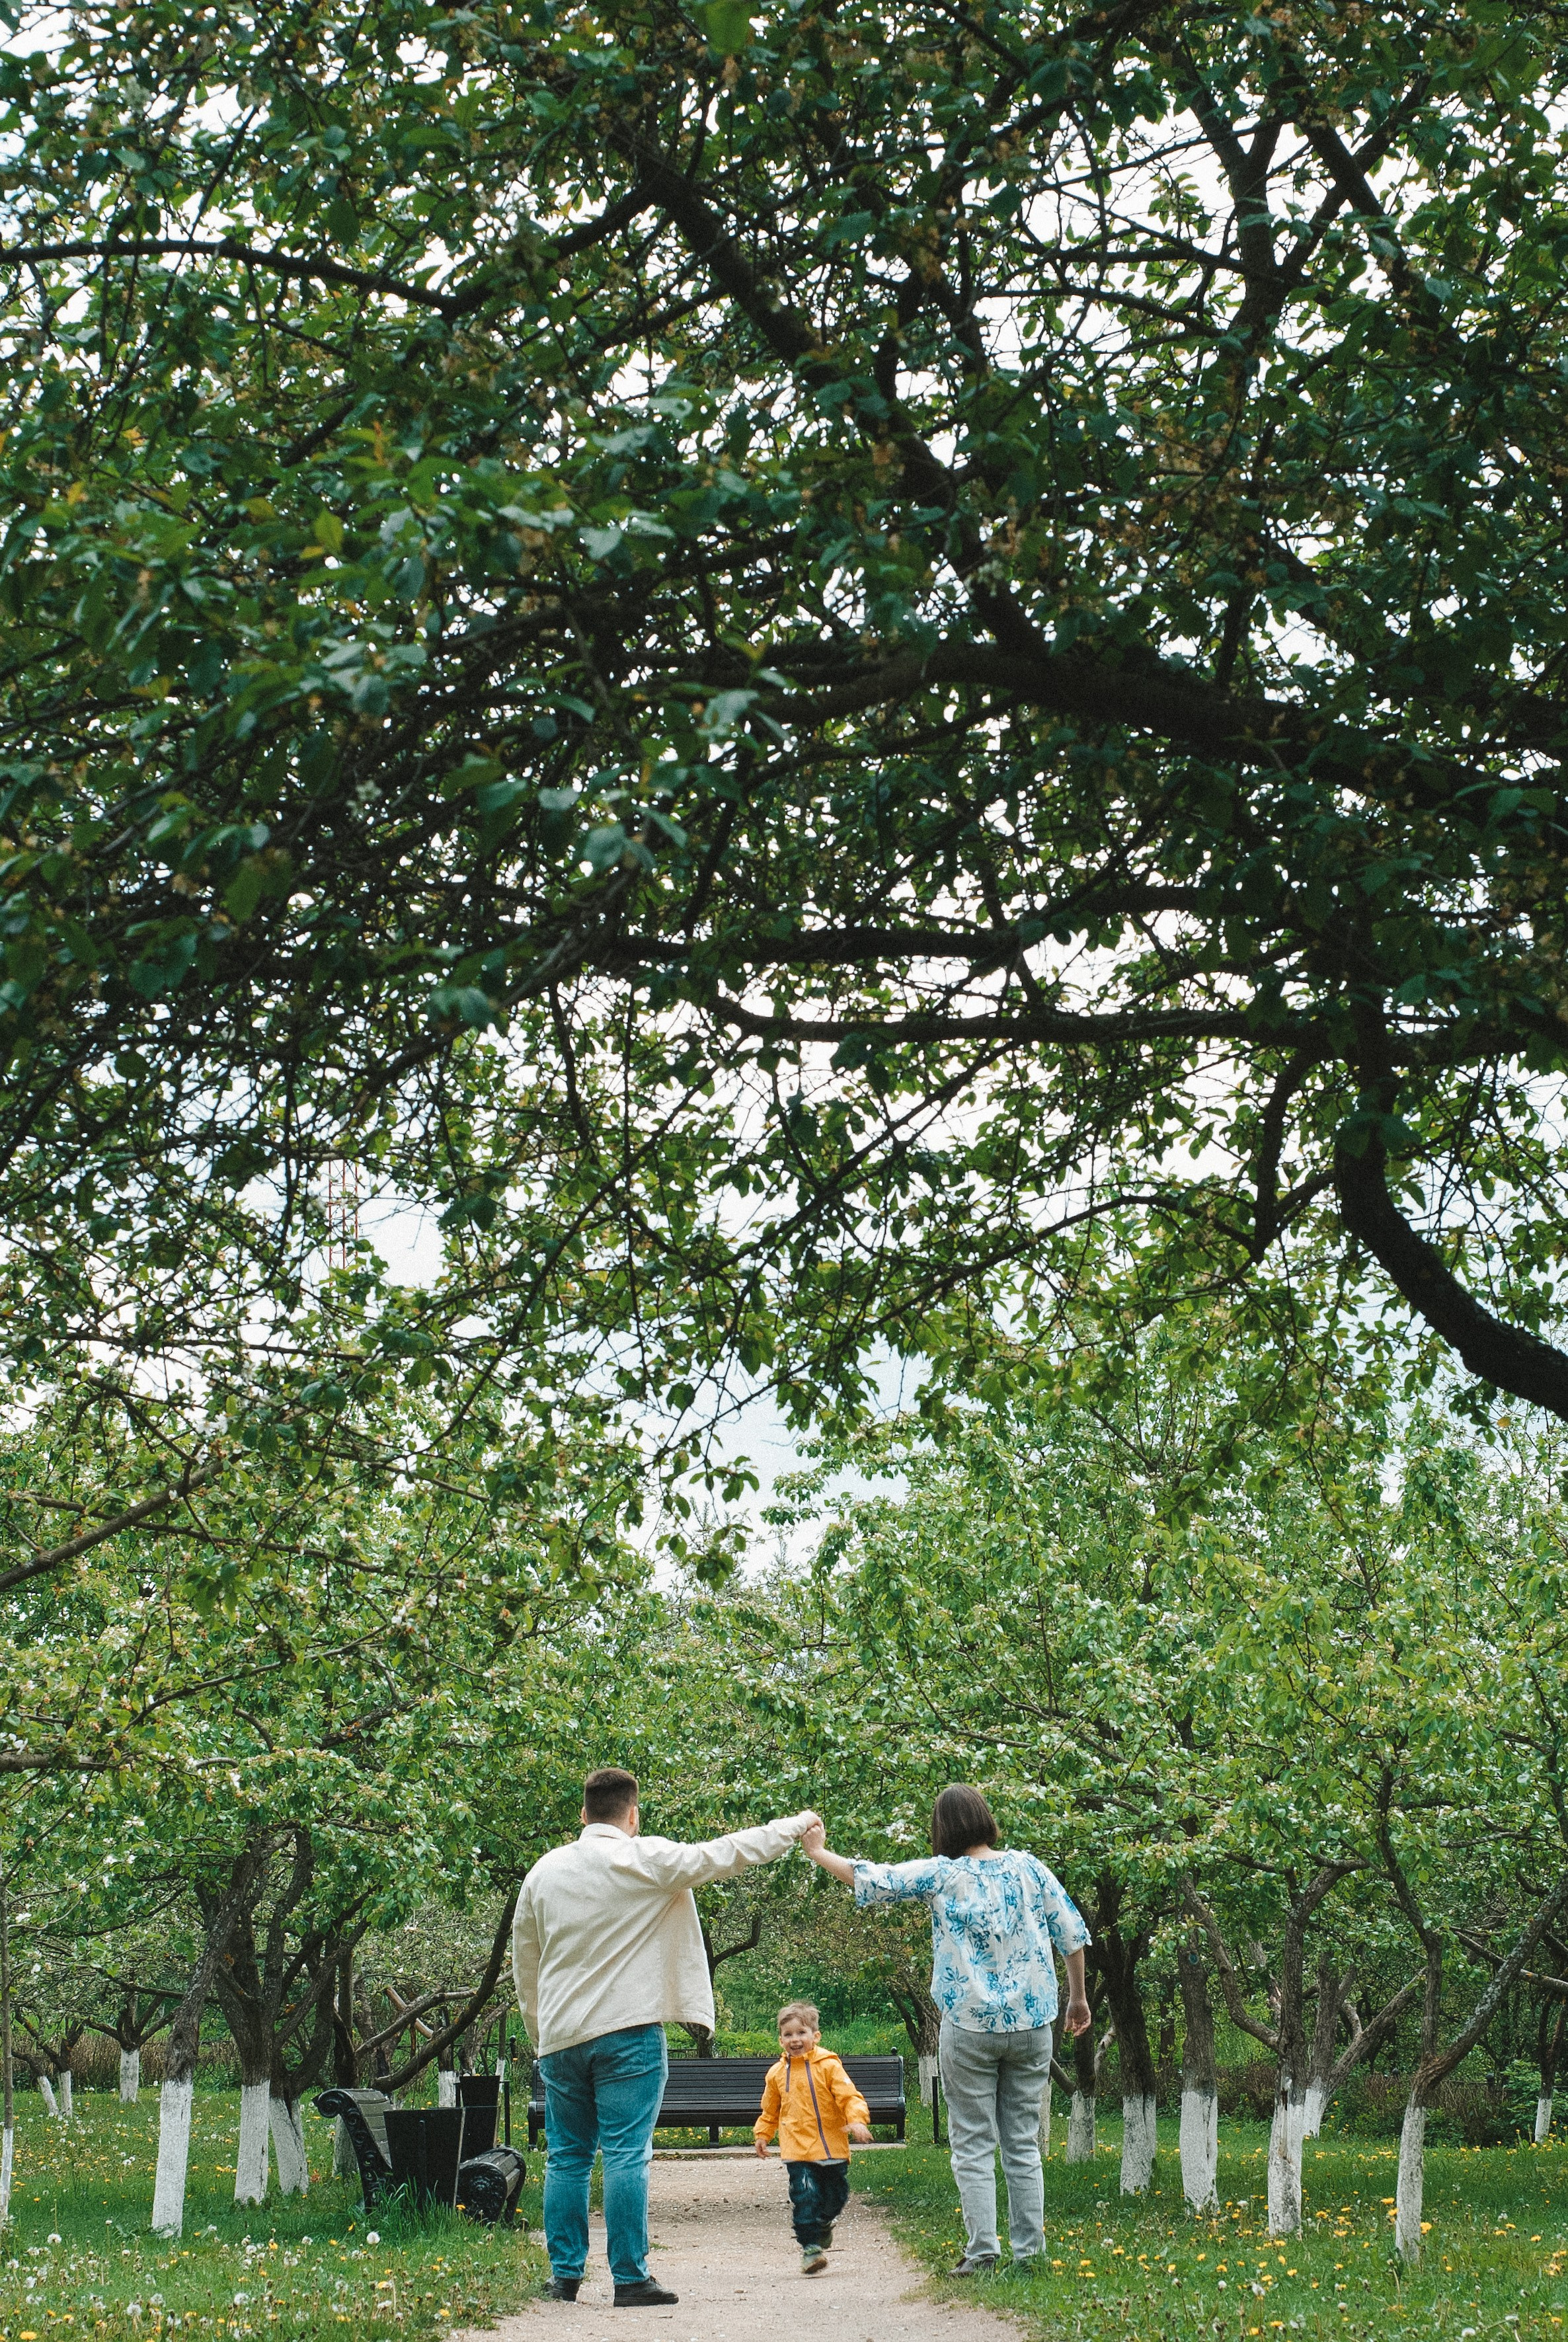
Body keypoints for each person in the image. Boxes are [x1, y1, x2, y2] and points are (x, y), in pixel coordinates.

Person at [513, 1768, 819, 2306]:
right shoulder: (645, 1858)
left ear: (583, 1815)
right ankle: (629, 2279)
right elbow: (727, 1852)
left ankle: (564, 2277)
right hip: (628, 2032)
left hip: (561, 2036)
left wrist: (544, 2033)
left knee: (567, 2157)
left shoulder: (543, 1871)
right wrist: (795, 1825)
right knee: (627, 2154)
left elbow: (526, 1964)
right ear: (632, 1815)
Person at [801, 1785, 1091, 2277]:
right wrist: (1079, 1997)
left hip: (969, 2026)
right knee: (1022, 2141)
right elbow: (1072, 1932)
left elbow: (873, 1878)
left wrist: (817, 1851)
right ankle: (1031, 2254)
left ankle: (982, 2252)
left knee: (973, 2141)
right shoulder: (1028, 1867)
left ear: (942, 1828)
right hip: (1031, 2024)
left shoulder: (942, 1873)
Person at [752, 1998, 873, 2275]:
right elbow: (770, 2109)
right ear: (781, 2040)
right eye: (788, 2035)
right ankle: (810, 2249)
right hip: (797, 2149)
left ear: (815, 2036)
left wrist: (856, 2120)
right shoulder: (776, 2074)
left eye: (801, 2033)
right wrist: (763, 2134)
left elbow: (849, 2096)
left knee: (837, 2195)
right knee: (804, 2194)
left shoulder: (829, 2066)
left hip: (832, 2146)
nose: (795, 2040)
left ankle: (822, 2224)